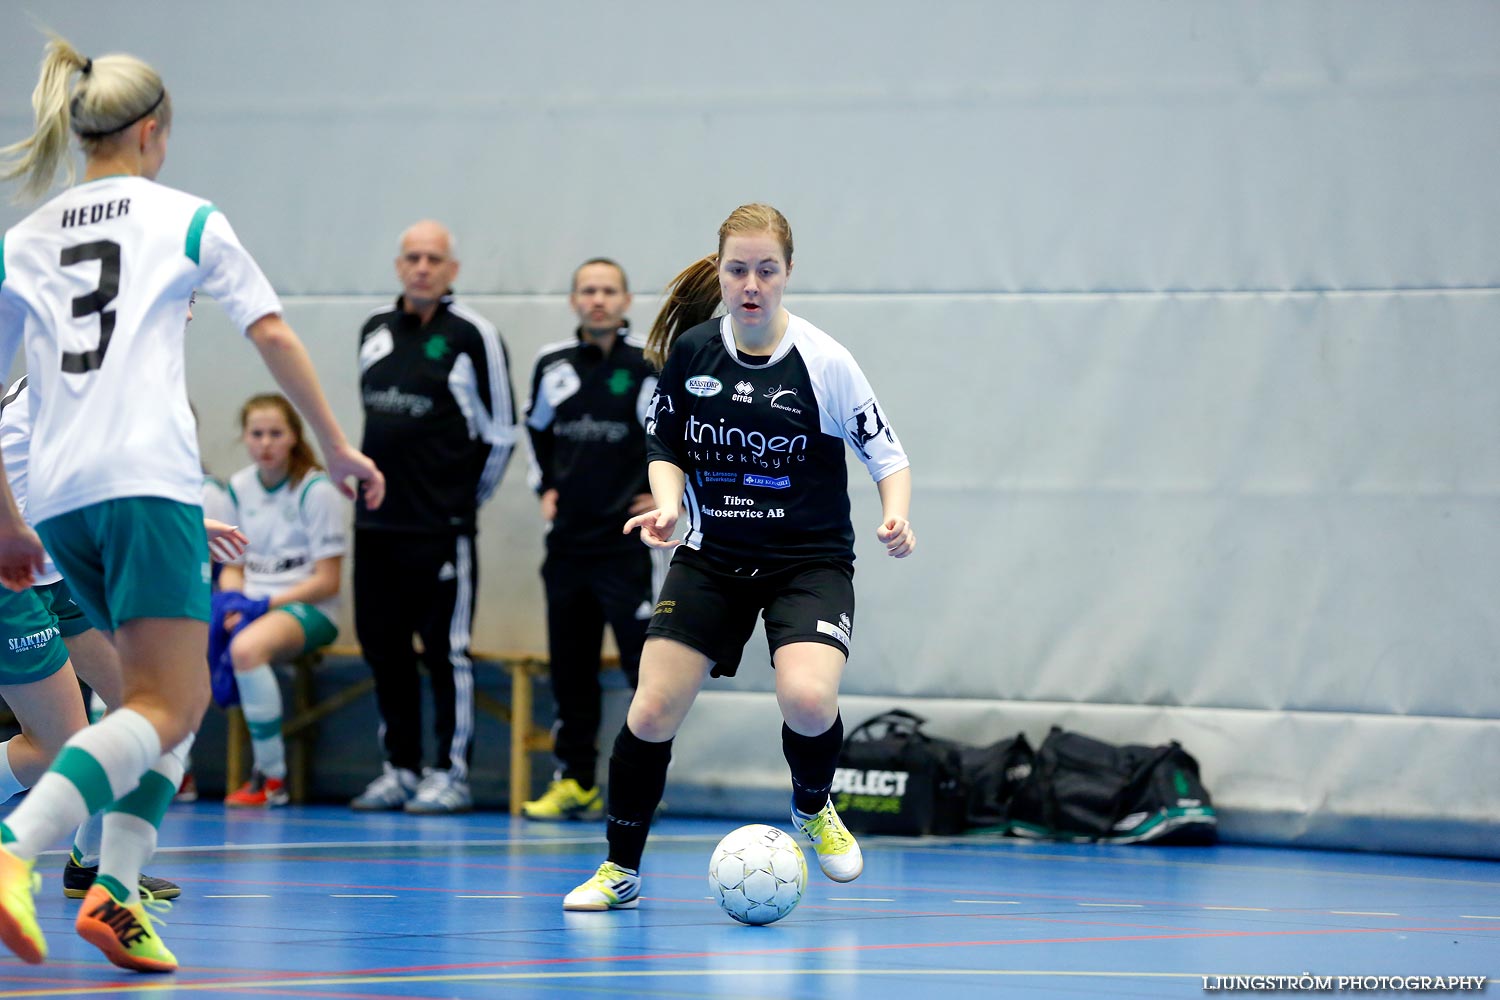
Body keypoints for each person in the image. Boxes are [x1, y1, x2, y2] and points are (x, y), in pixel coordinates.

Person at [0, 36, 383, 972]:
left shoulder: (25, 236)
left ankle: (116, 894)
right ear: (152, 130)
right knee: (170, 707)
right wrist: (334, 447)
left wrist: (9, 520)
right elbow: (274, 332)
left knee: (162, 702)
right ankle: (19, 850)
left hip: (54, 499)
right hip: (142, 477)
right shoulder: (188, 218)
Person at [563, 204, 915, 912]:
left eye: (766, 270)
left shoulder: (824, 361)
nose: (751, 284)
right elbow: (664, 445)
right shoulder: (694, 352)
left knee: (809, 700)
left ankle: (812, 807)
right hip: (713, 555)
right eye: (737, 270)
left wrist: (895, 513)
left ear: (787, 275)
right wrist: (667, 506)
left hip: (806, 561)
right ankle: (619, 870)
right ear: (720, 273)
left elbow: (888, 454)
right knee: (653, 709)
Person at [352, 220, 515, 814]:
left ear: (451, 270)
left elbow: (501, 434)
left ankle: (450, 772)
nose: (422, 267)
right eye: (412, 258)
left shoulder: (475, 335)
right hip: (375, 526)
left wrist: (461, 505)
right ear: (400, 265)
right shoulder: (373, 328)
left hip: (440, 530)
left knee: (445, 650)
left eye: (434, 259)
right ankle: (399, 766)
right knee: (383, 646)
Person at [521, 258, 660, 820]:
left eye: (608, 291)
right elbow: (533, 430)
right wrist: (544, 489)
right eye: (587, 290)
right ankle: (575, 780)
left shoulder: (650, 364)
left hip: (624, 545)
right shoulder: (550, 364)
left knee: (642, 668)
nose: (598, 300)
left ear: (626, 300)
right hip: (568, 545)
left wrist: (664, 495)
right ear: (575, 300)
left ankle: (643, 781)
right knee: (570, 667)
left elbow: (678, 436)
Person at [217, 393, 348, 808]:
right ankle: (167, 774)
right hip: (252, 607)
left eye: (276, 433)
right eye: (257, 434)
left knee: (247, 648)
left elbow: (327, 581)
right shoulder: (237, 488)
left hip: (309, 608)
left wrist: (260, 609)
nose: (266, 443)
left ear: (294, 437)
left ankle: (271, 776)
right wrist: (233, 601)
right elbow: (233, 564)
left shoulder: (316, 489)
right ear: (245, 438)